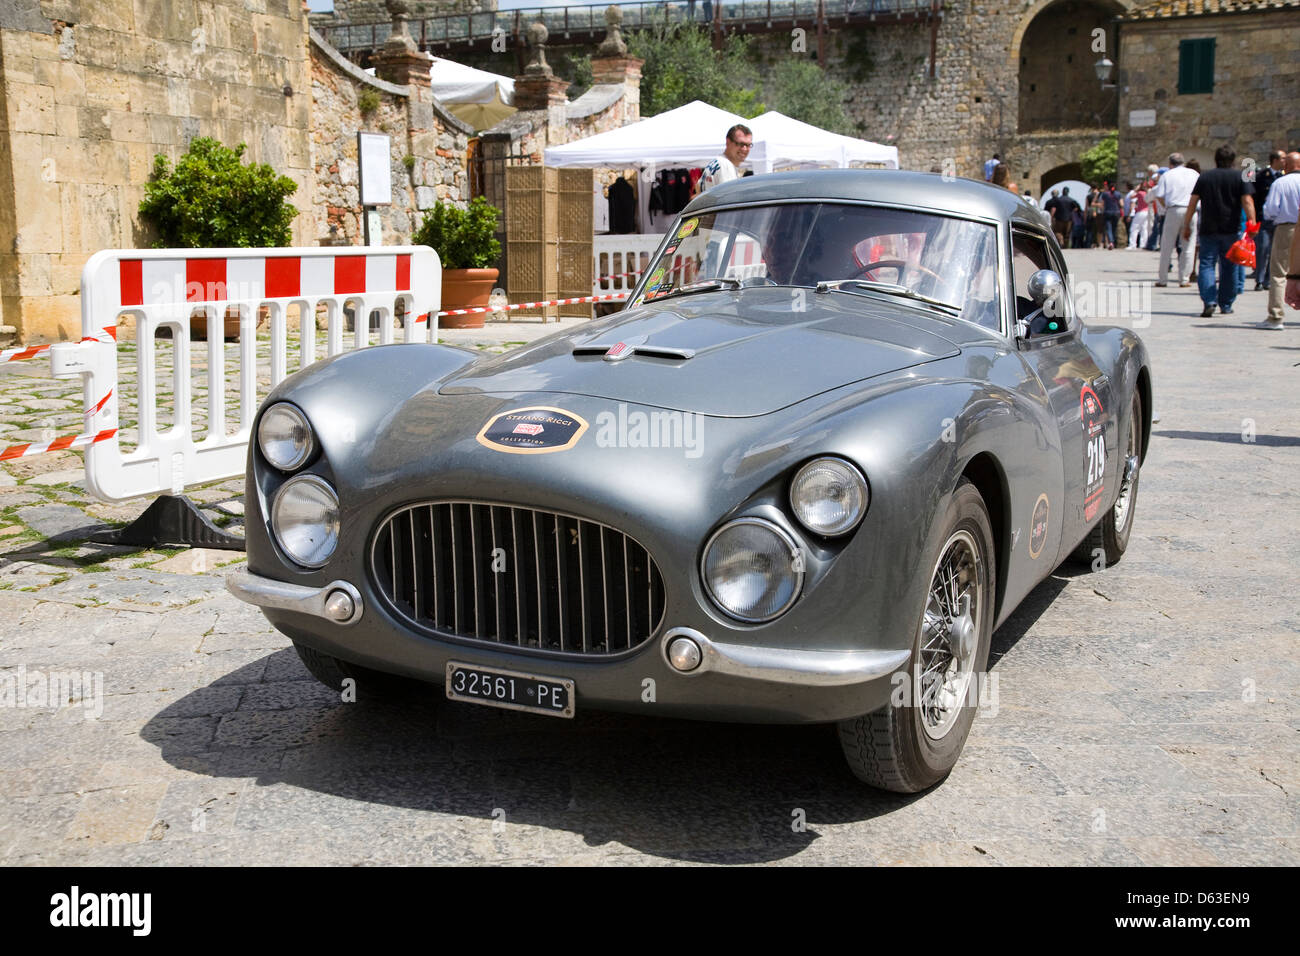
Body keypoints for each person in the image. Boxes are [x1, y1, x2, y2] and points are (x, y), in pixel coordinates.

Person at [1181, 144, 1256, 318]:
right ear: (1233, 160)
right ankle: (1226, 303)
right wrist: (1251, 223)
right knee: (1229, 266)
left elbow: (1192, 203)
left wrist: (1186, 225)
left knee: (1206, 264)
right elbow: (1247, 201)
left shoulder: (1205, 177)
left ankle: (1209, 301)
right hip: (1231, 229)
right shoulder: (1240, 177)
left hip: (1208, 228)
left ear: (1216, 159)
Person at [1260, 150, 1300, 329]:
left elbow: (1271, 209)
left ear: (1286, 166)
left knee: (1279, 273)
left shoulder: (1281, 183)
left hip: (1287, 227)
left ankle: (1276, 316)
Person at [1149, 152, 1199, 286]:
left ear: (1170, 164)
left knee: (1167, 245)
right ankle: (1184, 279)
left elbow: (1159, 194)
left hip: (1174, 209)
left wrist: (1166, 207)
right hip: (1191, 209)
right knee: (1188, 245)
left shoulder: (1167, 175)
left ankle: (1163, 279)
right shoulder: (1194, 174)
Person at [1253, 149, 1284, 291]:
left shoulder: (1284, 177)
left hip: (1279, 220)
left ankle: (1268, 279)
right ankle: (1259, 279)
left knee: (1274, 251)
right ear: (1275, 160)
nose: (1285, 161)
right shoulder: (1261, 176)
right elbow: (1254, 198)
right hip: (1264, 220)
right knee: (1262, 249)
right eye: (1283, 158)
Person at [699, 124, 751, 193]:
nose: (744, 149)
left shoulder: (717, 162)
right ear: (728, 142)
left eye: (748, 145)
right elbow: (729, 199)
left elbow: (698, 186)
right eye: (740, 144)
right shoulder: (725, 166)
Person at [1128, 183, 1152, 249]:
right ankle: (1143, 244)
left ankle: (1132, 244)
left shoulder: (1140, 193)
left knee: (1134, 228)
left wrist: (1135, 190)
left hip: (1140, 211)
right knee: (1144, 229)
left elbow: (1131, 196)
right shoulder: (1147, 193)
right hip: (1147, 211)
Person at [1101, 182, 1122, 249]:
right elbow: (1122, 204)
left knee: (1108, 228)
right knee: (1114, 228)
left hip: (1107, 212)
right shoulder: (1118, 194)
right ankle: (1114, 242)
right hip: (1116, 213)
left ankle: (1111, 242)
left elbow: (1102, 204)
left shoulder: (1105, 194)